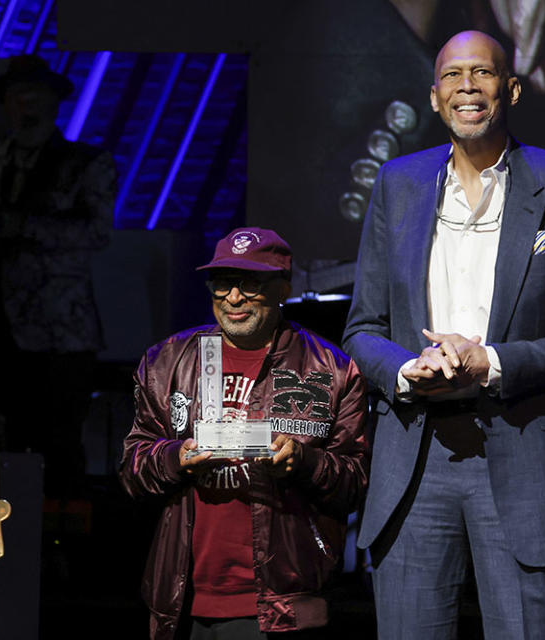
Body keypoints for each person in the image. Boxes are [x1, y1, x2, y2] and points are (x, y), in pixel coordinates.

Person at [342, 30, 545, 640]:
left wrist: (488, 361)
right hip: (414, 456)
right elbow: (362, 328)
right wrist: (406, 371)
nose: (468, 85)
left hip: (518, 452)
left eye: (483, 73)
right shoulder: (398, 183)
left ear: (509, 90)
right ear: (434, 97)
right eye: (453, 75)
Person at [120, 228, 369, 639]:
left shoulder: (332, 370)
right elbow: (131, 469)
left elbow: (356, 483)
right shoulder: (165, 362)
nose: (234, 298)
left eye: (250, 284)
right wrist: (173, 458)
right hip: (182, 601)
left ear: (283, 287)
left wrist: (302, 461)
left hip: (283, 604)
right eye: (222, 283)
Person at [0, 54, 116, 494]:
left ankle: (63, 552)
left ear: (54, 104)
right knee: (7, 446)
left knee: (60, 447)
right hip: (2, 333)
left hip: (60, 335)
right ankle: (12, 548)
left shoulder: (84, 163)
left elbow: (96, 232)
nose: (27, 107)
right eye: (18, 97)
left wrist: (19, 225)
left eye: (36, 97)